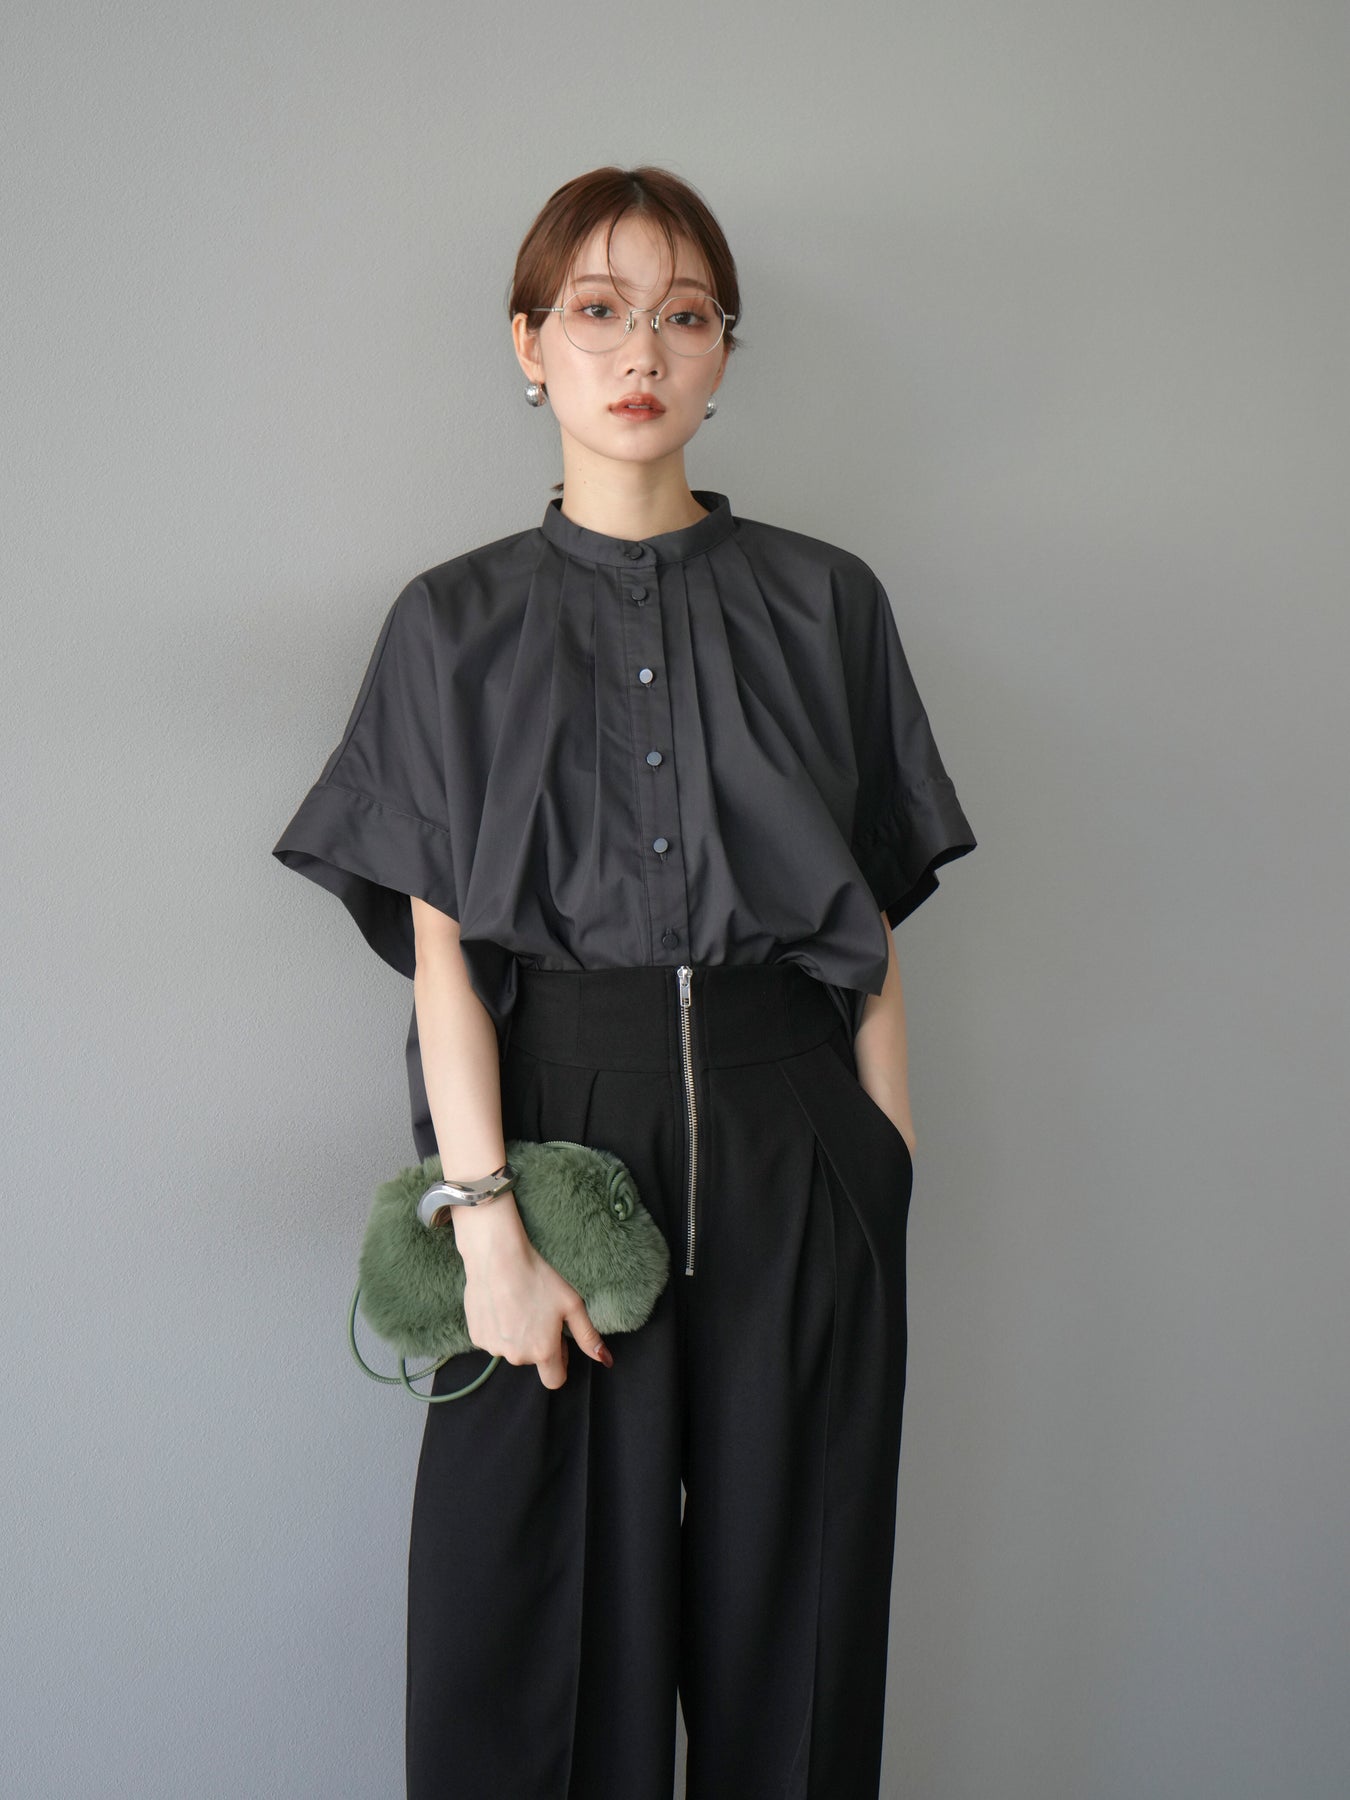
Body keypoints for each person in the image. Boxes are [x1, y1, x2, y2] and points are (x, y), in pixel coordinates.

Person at [272, 164, 976, 1800]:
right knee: (529, 1648)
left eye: (683, 314)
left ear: (724, 350)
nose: (639, 349)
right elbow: (442, 960)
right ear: (528, 344)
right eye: (595, 310)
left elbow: (870, 915)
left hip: (795, 1139)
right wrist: (485, 1226)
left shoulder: (826, 602)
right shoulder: (450, 625)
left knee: (793, 1636)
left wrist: (883, 1158)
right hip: (553, 1148)